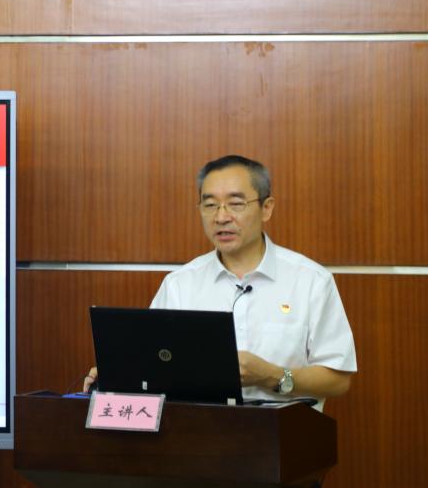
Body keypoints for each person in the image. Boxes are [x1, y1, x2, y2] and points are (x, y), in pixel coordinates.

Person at [84, 155, 356, 410]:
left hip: (282, 434)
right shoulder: (180, 284)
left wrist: (271, 376)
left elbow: (338, 380)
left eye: (236, 204)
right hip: (197, 433)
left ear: (266, 208)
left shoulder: (310, 280)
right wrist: (118, 374)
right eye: (210, 205)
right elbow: (155, 363)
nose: (221, 217)